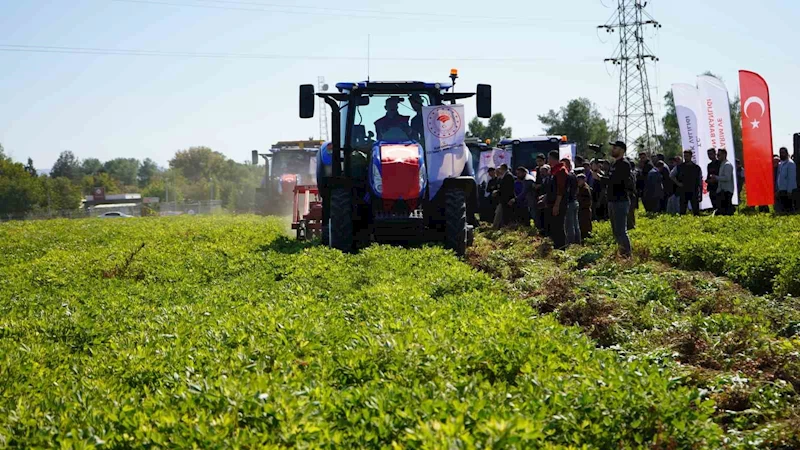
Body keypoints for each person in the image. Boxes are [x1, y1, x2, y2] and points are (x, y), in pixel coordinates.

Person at [603, 141, 633, 257]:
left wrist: (602, 179)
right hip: (612, 200)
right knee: (616, 232)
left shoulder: (624, 164)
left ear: (621, 150)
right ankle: (621, 253)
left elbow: (618, 182)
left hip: (620, 201)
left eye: (615, 148)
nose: (612, 149)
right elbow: (611, 179)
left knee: (621, 231)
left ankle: (627, 255)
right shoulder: (614, 164)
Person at [546, 151, 568, 249]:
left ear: (553, 159)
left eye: (549, 158)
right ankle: (555, 245)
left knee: (559, 226)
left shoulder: (561, 170)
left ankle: (561, 248)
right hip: (551, 202)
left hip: (558, 203)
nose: (548, 161)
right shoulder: (553, 170)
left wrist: (557, 205)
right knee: (553, 225)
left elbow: (560, 189)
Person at [673, 150, 702, 216]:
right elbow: (671, 175)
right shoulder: (679, 167)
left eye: (687, 156)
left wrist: (700, 192)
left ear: (691, 156)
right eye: (685, 156)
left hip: (694, 190)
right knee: (682, 211)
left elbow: (700, 180)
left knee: (696, 211)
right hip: (683, 191)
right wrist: (678, 183)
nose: (686, 158)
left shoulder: (696, 168)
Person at [562, 158, 581, 245]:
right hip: (574, 201)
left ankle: (571, 244)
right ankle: (578, 242)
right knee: (575, 224)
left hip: (569, 202)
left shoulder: (567, 176)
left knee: (569, 225)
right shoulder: (573, 175)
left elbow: (566, 190)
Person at [493, 164, 515, 228]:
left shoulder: (508, 176)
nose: (499, 170)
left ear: (503, 168)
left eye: (500, 169)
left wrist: (498, 191)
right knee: (502, 214)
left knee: (505, 214)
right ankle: (501, 226)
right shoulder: (505, 175)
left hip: (507, 198)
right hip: (503, 198)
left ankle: (501, 227)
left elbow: (507, 188)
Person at [776, 147, 797, 214]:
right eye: (780, 153)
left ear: (786, 153)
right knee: (783, 209)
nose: (782, 154)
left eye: (783, 153)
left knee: (789, 208)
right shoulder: (780, 164)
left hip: (787, 190)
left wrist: (789, 190)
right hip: (781, 189)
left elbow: (791, 178)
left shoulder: (790, 163)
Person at [715, 149, 735, 216]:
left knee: (727, 210)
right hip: (722, 190)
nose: (717, 157)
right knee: (722, 210)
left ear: (724, 155)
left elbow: (727, 178)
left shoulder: (727, 165)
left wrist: (716, 177)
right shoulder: (722, 164)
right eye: (717, 155)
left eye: (719, 155)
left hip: (727, 191)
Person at [576, 173, 593, 241]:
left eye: (580, 180)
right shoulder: (579, 188)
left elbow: (587, 201)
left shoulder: (585, 189)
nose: (578, 182)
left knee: (585, 226)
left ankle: (587, 240)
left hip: (585, 210)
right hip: (581, 210)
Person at [536, 165, 551, 235]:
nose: (542, 173)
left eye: (543, 172)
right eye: (541, 172)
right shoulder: (540, 179)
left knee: (547, 217)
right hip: (540, 200)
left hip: (547, 200)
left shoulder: (550, 179)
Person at [706, 148, 721, 213]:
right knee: (713, 202)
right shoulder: (709, 165)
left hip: (719, 186)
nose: (710, 156)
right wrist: (708, 180)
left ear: (715, 154)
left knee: (719, 203)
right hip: (711, 187)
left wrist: (715, 179)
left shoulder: (720, 163)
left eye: (711, 154)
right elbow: (708, 175)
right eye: (708, 154)